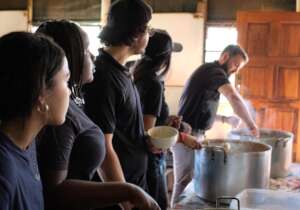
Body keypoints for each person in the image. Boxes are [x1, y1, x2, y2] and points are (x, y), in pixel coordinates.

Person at [36, 20, 160, 210]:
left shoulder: (76, 98)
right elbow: (54, 191)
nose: (93, 56)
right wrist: (128, 193)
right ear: (69, 57)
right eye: (86, 50)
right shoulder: (60, 118)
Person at [172, 44, 259, 206]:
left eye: (239, 67)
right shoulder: (214, 72)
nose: (236, 70)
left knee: (189, 182)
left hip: (195, 133)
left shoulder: (210, 75)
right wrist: (251, 124)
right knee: (184, 183)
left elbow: (202, 111)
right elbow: (233, 97)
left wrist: (225, 119)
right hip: (186, 135)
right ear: (225, 57)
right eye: (235, 64)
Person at [84, 0, 154, 194]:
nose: (149, 34)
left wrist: (145, 140)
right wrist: (127, 199)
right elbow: (103, 149)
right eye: (148, 28)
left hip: (133, 184)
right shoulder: (103, 76)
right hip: (118, 192)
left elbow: (123, 130)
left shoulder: (122, 71)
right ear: (135, 31)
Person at [0, 32, 70, 210]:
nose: (69, 92)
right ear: (41, 95)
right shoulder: (4, 169)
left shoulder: (26, 144)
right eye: (66, 81)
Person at [134, 29, 202, 209]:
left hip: (138, 160)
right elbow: (149, 136)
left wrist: (167, 122)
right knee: (157, 205)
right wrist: (183, 138)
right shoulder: (153, 84)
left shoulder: (136, 75)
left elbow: (142, 121)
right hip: (150, 161)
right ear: (165, 58)